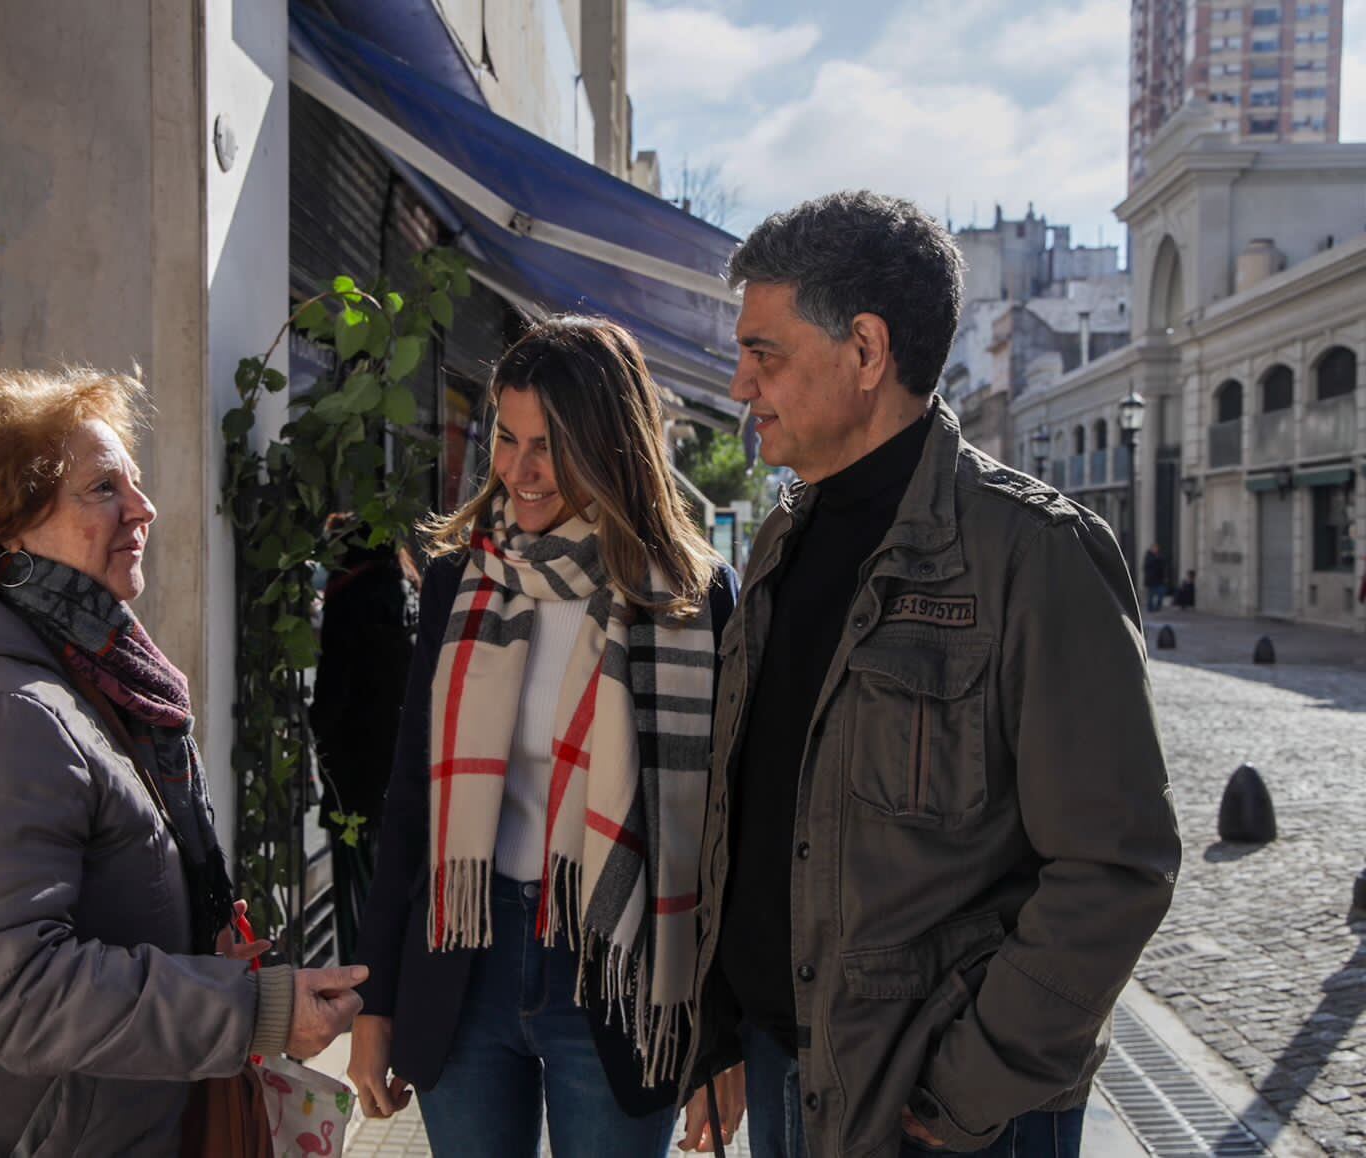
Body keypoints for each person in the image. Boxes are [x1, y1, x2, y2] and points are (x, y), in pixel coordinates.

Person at [678, 192, 1181, 1158]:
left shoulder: (1032, 554)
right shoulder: (786, 536)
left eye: (765, 352)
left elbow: (1115, 866)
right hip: (792, 1074)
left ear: (866, 353)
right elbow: (755, 807)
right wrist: (721, 1018)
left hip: (944, 1116)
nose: (741, 383)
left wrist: (964, 1090)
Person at [0, 368, 365, 1156]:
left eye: (135, 480)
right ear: (4, 522)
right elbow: (17, 991)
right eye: (102, 488)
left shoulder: (51, 665)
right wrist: (249, 1009)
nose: (143, 508)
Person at [347, 317, 744, 1157]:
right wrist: (375, 1001)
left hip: (616, 966)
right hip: (466, 955)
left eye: (548, 448)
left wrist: (721, 1038)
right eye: (506, 439)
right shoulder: (462, 576)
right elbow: (411, 800)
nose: (518, 473)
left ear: (609, 447)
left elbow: (720, 833)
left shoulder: (689, 597)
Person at [311, 513, 420, 962]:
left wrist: (322, 740)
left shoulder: (349, 598)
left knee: (358, 901)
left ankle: (366, 990)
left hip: (355, 777)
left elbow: (332, 694)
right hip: (403, 772)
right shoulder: (407, 592)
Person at [1143, 543, 1168, 612]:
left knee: (1161, 593)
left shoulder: (1160, 556)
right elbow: (1146, 566)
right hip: (1151, 579)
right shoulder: (1148, 556)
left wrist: (1165, 577)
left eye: (1156, 548)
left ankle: (1157, 607)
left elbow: (1163, 567)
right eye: (1154, 548)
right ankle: (1150, 608)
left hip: (1160, 579)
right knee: (1151, 595)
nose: (1155, 549)